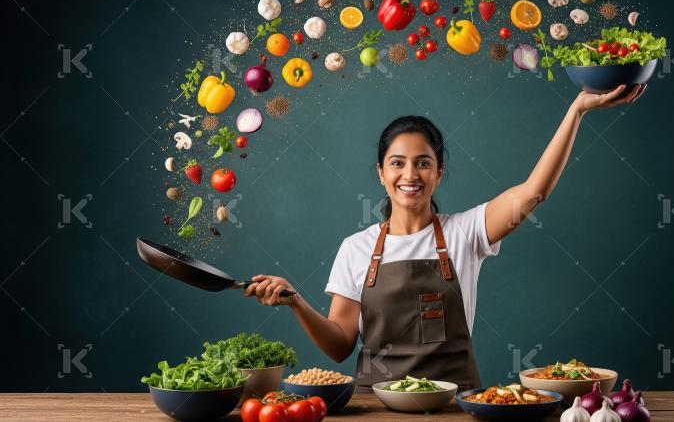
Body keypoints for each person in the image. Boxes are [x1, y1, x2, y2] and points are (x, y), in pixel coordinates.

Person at [246, 85, 647, 391]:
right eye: (397, 164)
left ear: (438, 173)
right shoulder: (356, 247)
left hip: (456, 405)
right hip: (376, 407)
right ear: (381, 174)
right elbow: (339, 345)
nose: (410, 175)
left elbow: (533, 192)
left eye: (423, 163)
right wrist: (295, 301)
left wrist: (576, 111)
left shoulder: (466, 232)